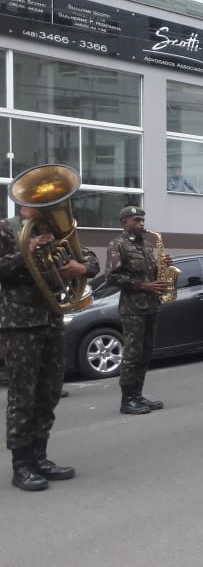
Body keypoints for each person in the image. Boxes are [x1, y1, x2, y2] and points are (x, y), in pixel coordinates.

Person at [1, 205, 99, 491]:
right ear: (23, 200)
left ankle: (40, 458)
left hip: (52, 318)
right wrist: (27, 252)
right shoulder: (6, 228)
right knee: (23, 396)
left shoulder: (55, 229)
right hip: (20, 323)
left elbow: (90, 257)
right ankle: (21, 465)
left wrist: (83, 267)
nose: (47, 205)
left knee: (49, 392)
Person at [106, 206, 172, 415]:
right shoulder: (118, 245)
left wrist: (164, 264)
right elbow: (112, 277)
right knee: (132, 354)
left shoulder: (145, 245)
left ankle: (138, 394)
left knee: (145, 353)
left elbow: (151, 273)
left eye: (143, 220)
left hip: (151, 306)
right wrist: (143, 286)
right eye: (137, 220)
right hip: (132, 309)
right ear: (125, 222)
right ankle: (127, 399)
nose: (142, 224)